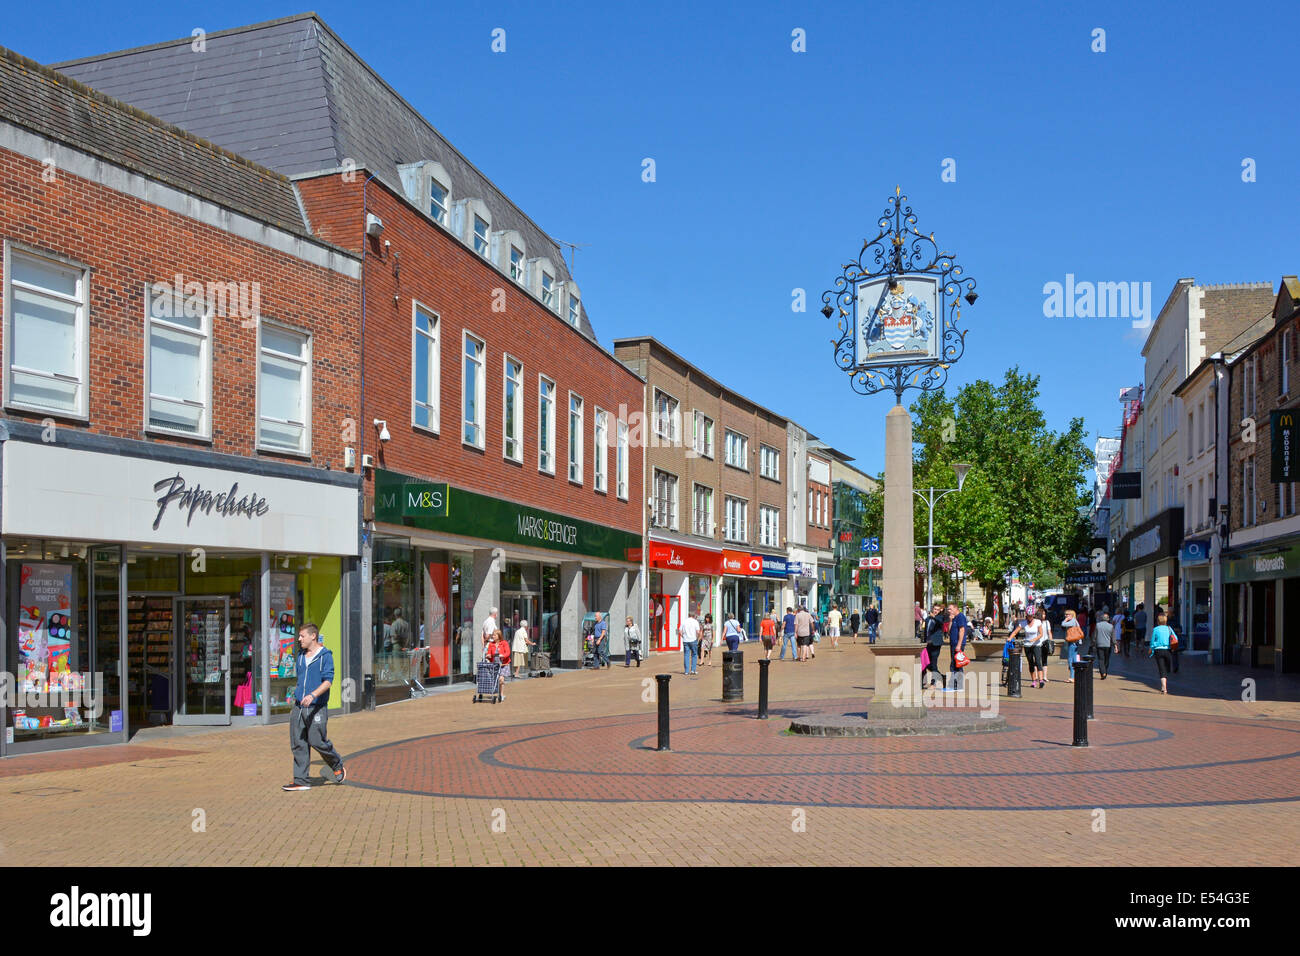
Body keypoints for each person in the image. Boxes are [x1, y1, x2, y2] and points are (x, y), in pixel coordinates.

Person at [282, 623, 345, 791]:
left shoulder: (325, 655)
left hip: (316, 706)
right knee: (298, 743)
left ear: (313, 636)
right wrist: (297, 695)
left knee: (317, 741)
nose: (299, 639)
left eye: (302, 636)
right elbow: (301, 679)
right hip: (299, 706)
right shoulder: (301, 656)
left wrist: (312, 695)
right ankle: (301, 780)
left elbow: (328, 681)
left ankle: (336, 762)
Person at [1149, 611, 1174, 694]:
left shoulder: (1155, 629)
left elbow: (1152, 641)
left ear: (1158, 621)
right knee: (1166, 668)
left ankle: (1164, 687)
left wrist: (1151, 648)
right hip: (1168, 650)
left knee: (1161, 668)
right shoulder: (1169, 628)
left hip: (1158, 650)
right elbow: (1175, 638)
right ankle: (1165, 683)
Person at [1023, 608, 1048, 688]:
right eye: (1028, 616)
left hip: (1036, 644)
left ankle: (1041, 680)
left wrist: (1034, 639)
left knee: (1038, 661)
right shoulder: (1024, 623)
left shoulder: (1038, 622)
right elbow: (1016, 630)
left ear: (1033, 615)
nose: (1029, 617)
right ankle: (1034, 681)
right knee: (1031, 663)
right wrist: (1010, 637)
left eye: (1031, 616)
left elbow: (1041, 634)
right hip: (1027, 645)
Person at [923, 603, 946, 688]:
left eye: (937, 609)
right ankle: (941, 676)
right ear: (932, 609)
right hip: (928, 644)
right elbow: (926, 630)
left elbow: (940, 622)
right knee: (927, 663)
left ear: (940, 610)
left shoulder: (940, 618)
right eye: (934, 609)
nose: (935, 611)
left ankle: (934, 683)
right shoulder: (928, 619)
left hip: (936, 644)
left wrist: (934, 617)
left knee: (934, 663)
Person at [946, 603, 969, 691]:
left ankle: (958, 685)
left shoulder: (960, 617)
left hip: (958, 644)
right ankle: (955, 685)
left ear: (956, 608)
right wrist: (951, 621)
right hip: (953, 643)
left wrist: (959, 645)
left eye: (950, 609)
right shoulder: (954, 618)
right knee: (954, 663)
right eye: (948, 609)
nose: (949, 611)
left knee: (957, 664)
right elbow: (948, 632)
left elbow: (962, 630)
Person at [1062, 607, 1084, 682]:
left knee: (1070, 659)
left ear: (1071, 615)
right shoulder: (1075, 621)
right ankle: (1074, 676)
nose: (1066, 616)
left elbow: (1063, 624)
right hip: (1075, 641)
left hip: (1072, 641)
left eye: (1067, 615)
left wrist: (1066, 620)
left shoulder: (1072, 621)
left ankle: (1072, 677)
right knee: (1074, 658)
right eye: (1065, 615)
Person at [1091, 612, 1114, 679]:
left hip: (1099, 645)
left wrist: (1093, 643)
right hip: (1108, 645)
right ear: (1108, 619)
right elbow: (1113, 637)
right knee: (1107, 659)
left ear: (1101, 618)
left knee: (1101, 659)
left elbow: (1094, 636)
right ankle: (1105, 671)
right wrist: (1115, 645)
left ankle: (1103, 672)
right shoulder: (1111, 626)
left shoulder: (1098, 625)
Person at [679, 610, 701, 676]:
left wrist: (683, 636)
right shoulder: (695, 622)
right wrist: (698, 638)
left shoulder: (684, 621)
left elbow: (680, 631)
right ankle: (693, 670)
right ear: (694, 616)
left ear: (688, 615)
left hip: (686, 640)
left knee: (686, 655)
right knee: (694, 655)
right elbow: (698, 631)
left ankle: (686, 671)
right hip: (693, 640)